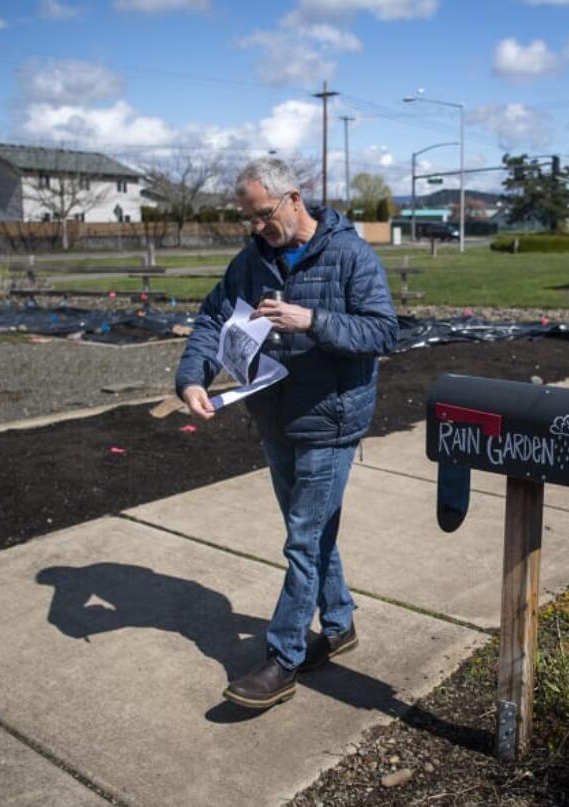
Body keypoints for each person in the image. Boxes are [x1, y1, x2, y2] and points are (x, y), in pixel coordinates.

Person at [175, 157, 398, 709]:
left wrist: (313, 322)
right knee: (313, 533)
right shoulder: (252, 261)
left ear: (293, 200)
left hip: (331, 420)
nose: (255, 227)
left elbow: (383, 331)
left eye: (261, 215)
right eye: (247, 218)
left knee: (302, 539)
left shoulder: (350, 254)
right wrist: (191, 379)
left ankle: (283, 659)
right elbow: (211, 319)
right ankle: (340, 623)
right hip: (275, 419)